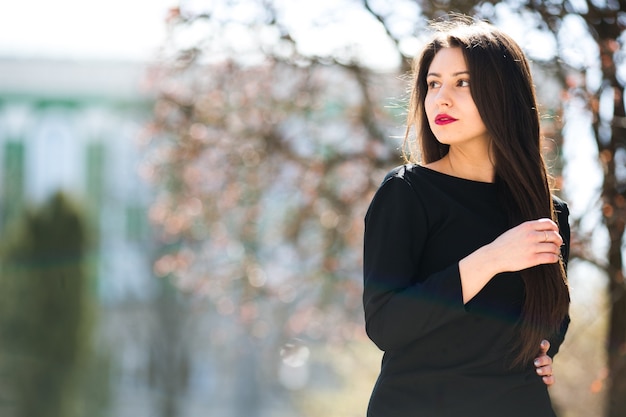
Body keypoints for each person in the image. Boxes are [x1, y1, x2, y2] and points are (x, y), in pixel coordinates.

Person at [362, 15, 570, 417]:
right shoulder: (406, 193)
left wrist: (546, 350)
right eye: (433, 83)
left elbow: (552, 313)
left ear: (504, 94)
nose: (441, 98)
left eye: (463, 82)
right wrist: (491, 260)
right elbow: (386, 324)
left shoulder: (548, 212)